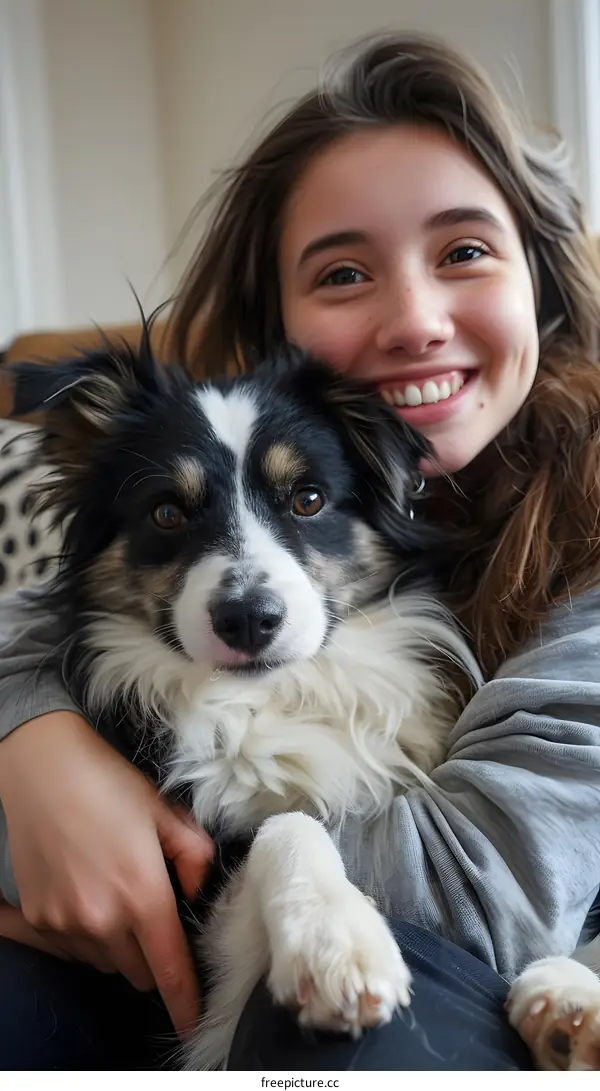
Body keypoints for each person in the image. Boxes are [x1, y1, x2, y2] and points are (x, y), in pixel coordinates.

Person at [1, 30, 600, 1071]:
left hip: (424, 969)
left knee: (342, 1033)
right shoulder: (261, 440)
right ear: (276, 320)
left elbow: (476, 887)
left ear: (542, 280)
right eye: (344, 271)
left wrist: (205, 852)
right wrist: (31, 746)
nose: (414, 319)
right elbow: (49, 614)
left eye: (463, 249)